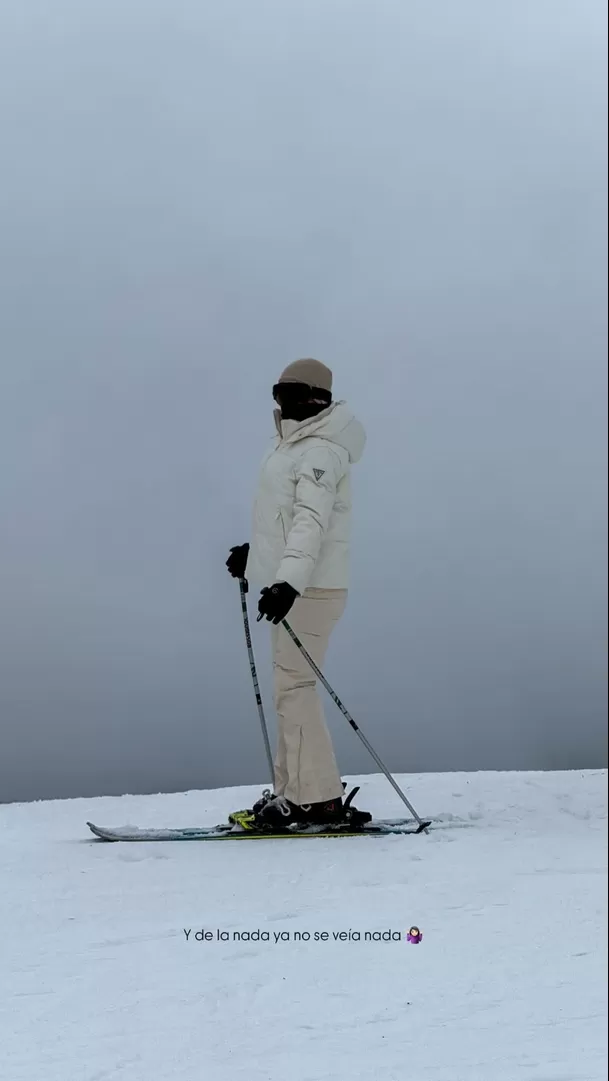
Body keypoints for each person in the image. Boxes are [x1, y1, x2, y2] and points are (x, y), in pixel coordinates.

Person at [226, 358, 370, 829]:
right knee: (290, 689)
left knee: (296, 688)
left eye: (289, 393)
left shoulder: (321, 451)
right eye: (277, 392)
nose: (281, 402)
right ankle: (294, 794)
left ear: (316, 398)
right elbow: (284, 522)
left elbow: (311, 523)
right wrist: (256, 558)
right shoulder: (293, 445)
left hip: (311, 589)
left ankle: (318, 799)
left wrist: (288, 582)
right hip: (297, 585)